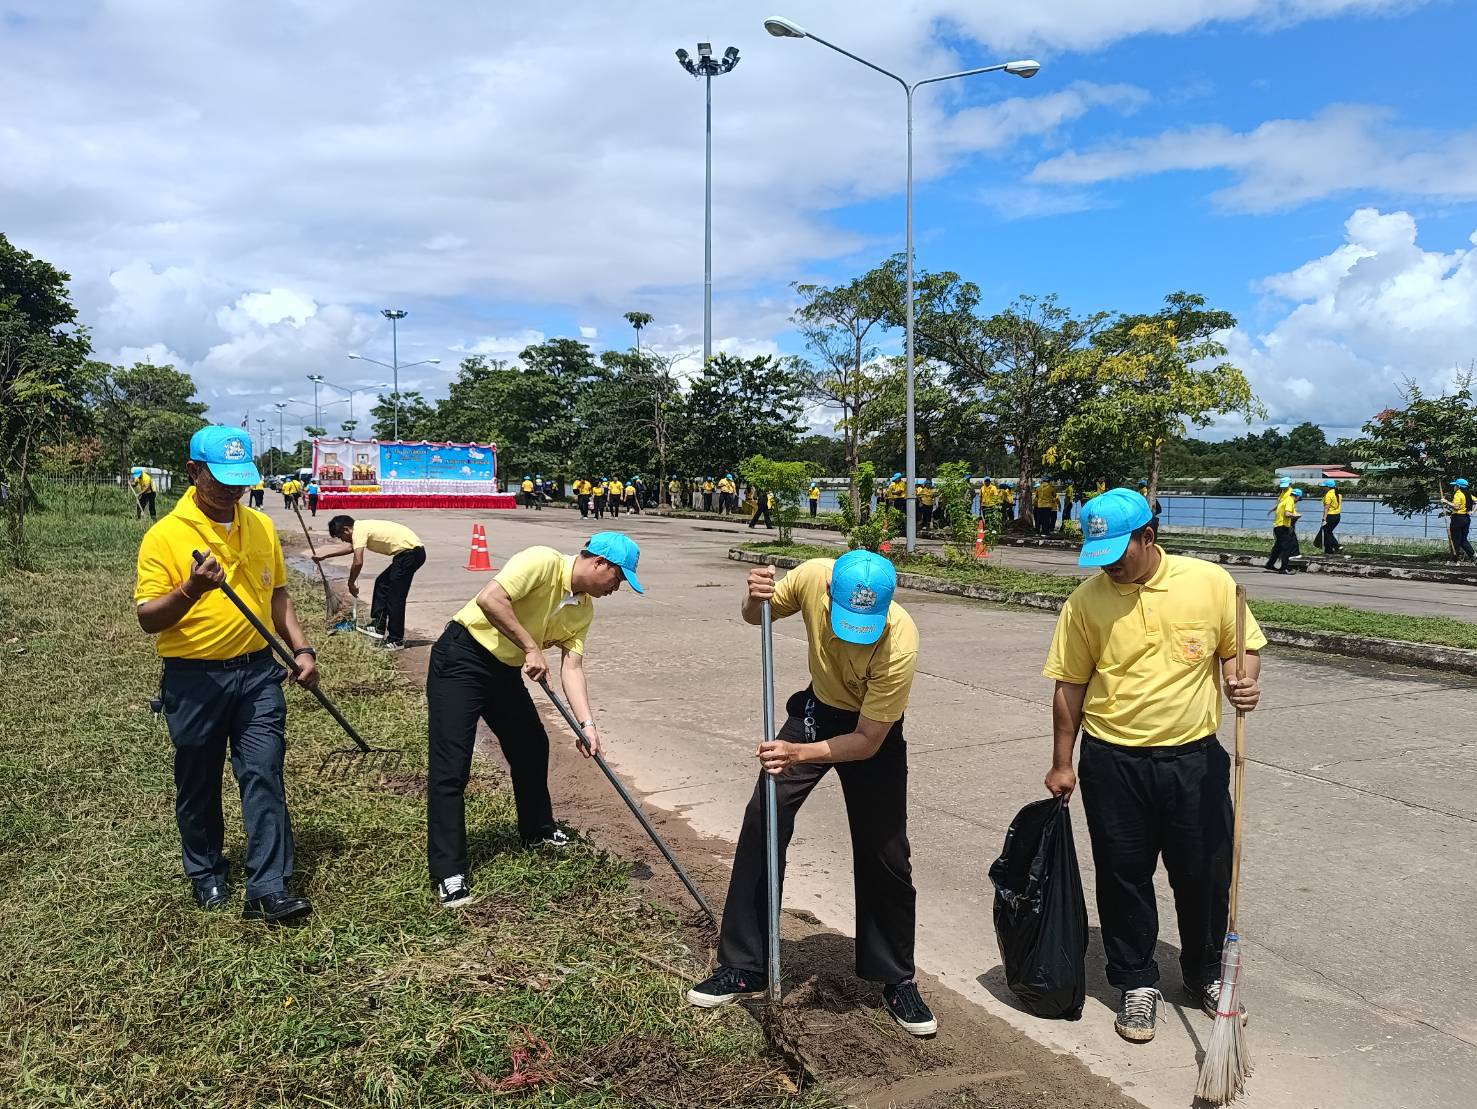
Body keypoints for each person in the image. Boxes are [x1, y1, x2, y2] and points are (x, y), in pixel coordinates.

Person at [1042, 488, 1265, 1044]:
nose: (1112, 563)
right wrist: (1061, 761)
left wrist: (1244, 680)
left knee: (1206, 873)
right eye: (1101, 554)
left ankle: (1205, 973)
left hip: (1194, 757)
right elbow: (1069, 685)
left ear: (1149, 535)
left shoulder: (1208, 583)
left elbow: (1242, 647)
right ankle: (1136, 980)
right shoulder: (1085, 603)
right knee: (1123, 878)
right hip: (1112, 761)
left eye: (1121, 550)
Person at [686, 550, 936, 1037]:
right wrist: (753, 596)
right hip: (816, 712)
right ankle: (743, 964)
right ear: (828, 595)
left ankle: (894, 977)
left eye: (867, 623)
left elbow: (866, 742)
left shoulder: (900, 640)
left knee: (886, 851)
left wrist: (797, 755)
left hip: (870, 733)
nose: (853, 634)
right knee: (765, 819)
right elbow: (755, 614)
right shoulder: (812, 576)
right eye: (846, 621)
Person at [134, 426, 318, 924]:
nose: (233, 491)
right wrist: (191, 588)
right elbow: (149, 617)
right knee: (198, 777)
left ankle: (268, 887)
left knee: (264, 771)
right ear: (193, 472)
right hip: (194, 679)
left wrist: (302, 648)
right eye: (221, 481)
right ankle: (206, 870)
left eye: (241, 481)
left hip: (258, 674)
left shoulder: (259, 525)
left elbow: (278, 594)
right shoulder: (166, 535)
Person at [425, 533, 645, 907]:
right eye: (618, 578)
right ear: (599, 564)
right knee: (452, 766)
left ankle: (537, 830)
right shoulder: (541, 561)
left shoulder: (583, 609)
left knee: (531, 745)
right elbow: (489, 599)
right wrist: (530, 646)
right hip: (462, 659)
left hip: (505, 671)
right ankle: (449, 872)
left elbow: (572, 667)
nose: (617, 587)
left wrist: (586, 724)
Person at [314, 516, 426, 650]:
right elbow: (352, 549)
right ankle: (378, 625)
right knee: (382, 584)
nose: (342, 540)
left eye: (340, 536)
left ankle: (396, 640)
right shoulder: (361, 528)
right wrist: (325, 556)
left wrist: (351, 583)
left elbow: (358, 562)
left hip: (410, 554)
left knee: (395, 598)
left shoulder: (359, 531)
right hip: (408, 554)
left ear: (346, 530)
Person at [1264, 483, 1300, 574]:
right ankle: (1284, 568)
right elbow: (1287, 514)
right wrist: (1296, 515)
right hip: (1282, 527)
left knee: (1278, 547)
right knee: (1287, 547)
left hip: (1278, 527)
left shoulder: (1284, 499)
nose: (1298, 501)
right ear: (1297, 497)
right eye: (1299, 499)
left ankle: (1270, 564)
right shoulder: (1290, 501)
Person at [1442, 478, 1475, 561]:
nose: (1454, 487)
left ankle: (1455, 559)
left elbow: (1456, 506)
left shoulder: (1458, 494)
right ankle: (1473, 556)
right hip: (1466, 519)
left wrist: (1446, 501)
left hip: (1458, 519)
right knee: (1463, 539)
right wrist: (1472, 511)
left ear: (1459, 486)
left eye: (1455, 485)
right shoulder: (1468, 494)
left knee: (1456, 539)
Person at [1316, 479, 1343, 555]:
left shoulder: (1328, 495)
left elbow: (1326, 508)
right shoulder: (1338, 494)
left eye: (1324, 486)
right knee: (1327, 532)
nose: (1323, 488)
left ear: (1328, 487)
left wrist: (1324, 519)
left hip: (1330, 516)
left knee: (1327, 532)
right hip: (1337, 516)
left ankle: (1336, 546)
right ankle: (1328, 551)